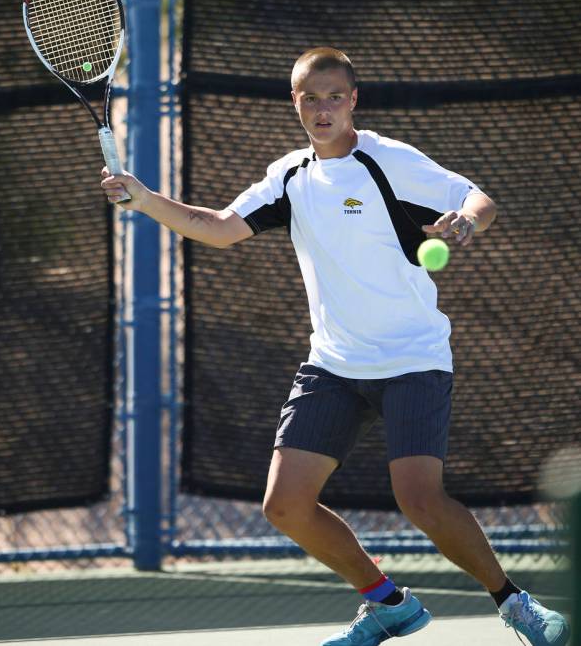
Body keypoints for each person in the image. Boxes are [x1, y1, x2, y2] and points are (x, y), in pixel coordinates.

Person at [102, 47, 570, 646]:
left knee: (420, 498)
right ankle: (388, 604)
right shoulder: (290, 177)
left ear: (353, 101)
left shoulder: (389, 161)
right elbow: (218, 228)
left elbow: (479, 197)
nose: (322, 109)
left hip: (412, 359)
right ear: (294, 103)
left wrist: (465, 222)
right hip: (333, 364)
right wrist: (144, 199)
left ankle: (513, 603)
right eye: (309, 98)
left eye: (333, 97)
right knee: (285, 505)